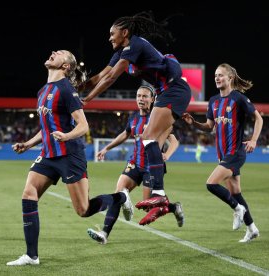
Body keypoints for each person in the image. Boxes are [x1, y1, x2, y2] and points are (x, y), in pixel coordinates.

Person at [6, 50, 133, 266]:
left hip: (69, 154)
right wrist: (28, 144)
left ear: (66, 66)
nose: (54, 52)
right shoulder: (42, 90)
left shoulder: (66, 90)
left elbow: (83, 126)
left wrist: (66, 136)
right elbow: (46, 128)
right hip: (48, 155)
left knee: (83, 210)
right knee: (29, 193)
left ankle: (121, 197)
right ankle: (31, 255)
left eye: (60, 53)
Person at [81, 11, 192, 225]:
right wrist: (79, 87)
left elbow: (112, 78)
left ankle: (159, 194)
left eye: (112, 34)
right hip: (167, 91)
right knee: (154, 141)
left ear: (124, 32)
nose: (109, 38)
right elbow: (101, 76)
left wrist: (87, 100)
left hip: (174, 89)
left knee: (148, 137)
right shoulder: (121, 53)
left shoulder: (136, 44)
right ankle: (162, 204)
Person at [87, 85, 184, 244]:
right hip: (134, 163)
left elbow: (174, 140)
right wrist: (106, 148)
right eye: (138, 96)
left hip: (151, 167)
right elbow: (124, 135)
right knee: (118, 193)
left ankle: (174, 207)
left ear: (152, 99)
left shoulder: (159, 117)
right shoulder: (133, 118)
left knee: (148, 206)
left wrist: (167, 154)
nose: (141, 99)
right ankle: (104, 233)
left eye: (145, 96)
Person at [182, 63, 263, 242]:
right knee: (235, 193)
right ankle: (252, 228)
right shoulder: (213, 101)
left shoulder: (239, 99)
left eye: (221, 75)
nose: (217, 78)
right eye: (215, 75)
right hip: (223, 154)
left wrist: (254, 140)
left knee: (211, 184)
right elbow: (209, 127)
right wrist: (194, 123)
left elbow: (258, 118)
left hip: (235, 152)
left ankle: (237, 209)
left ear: (230, 78)